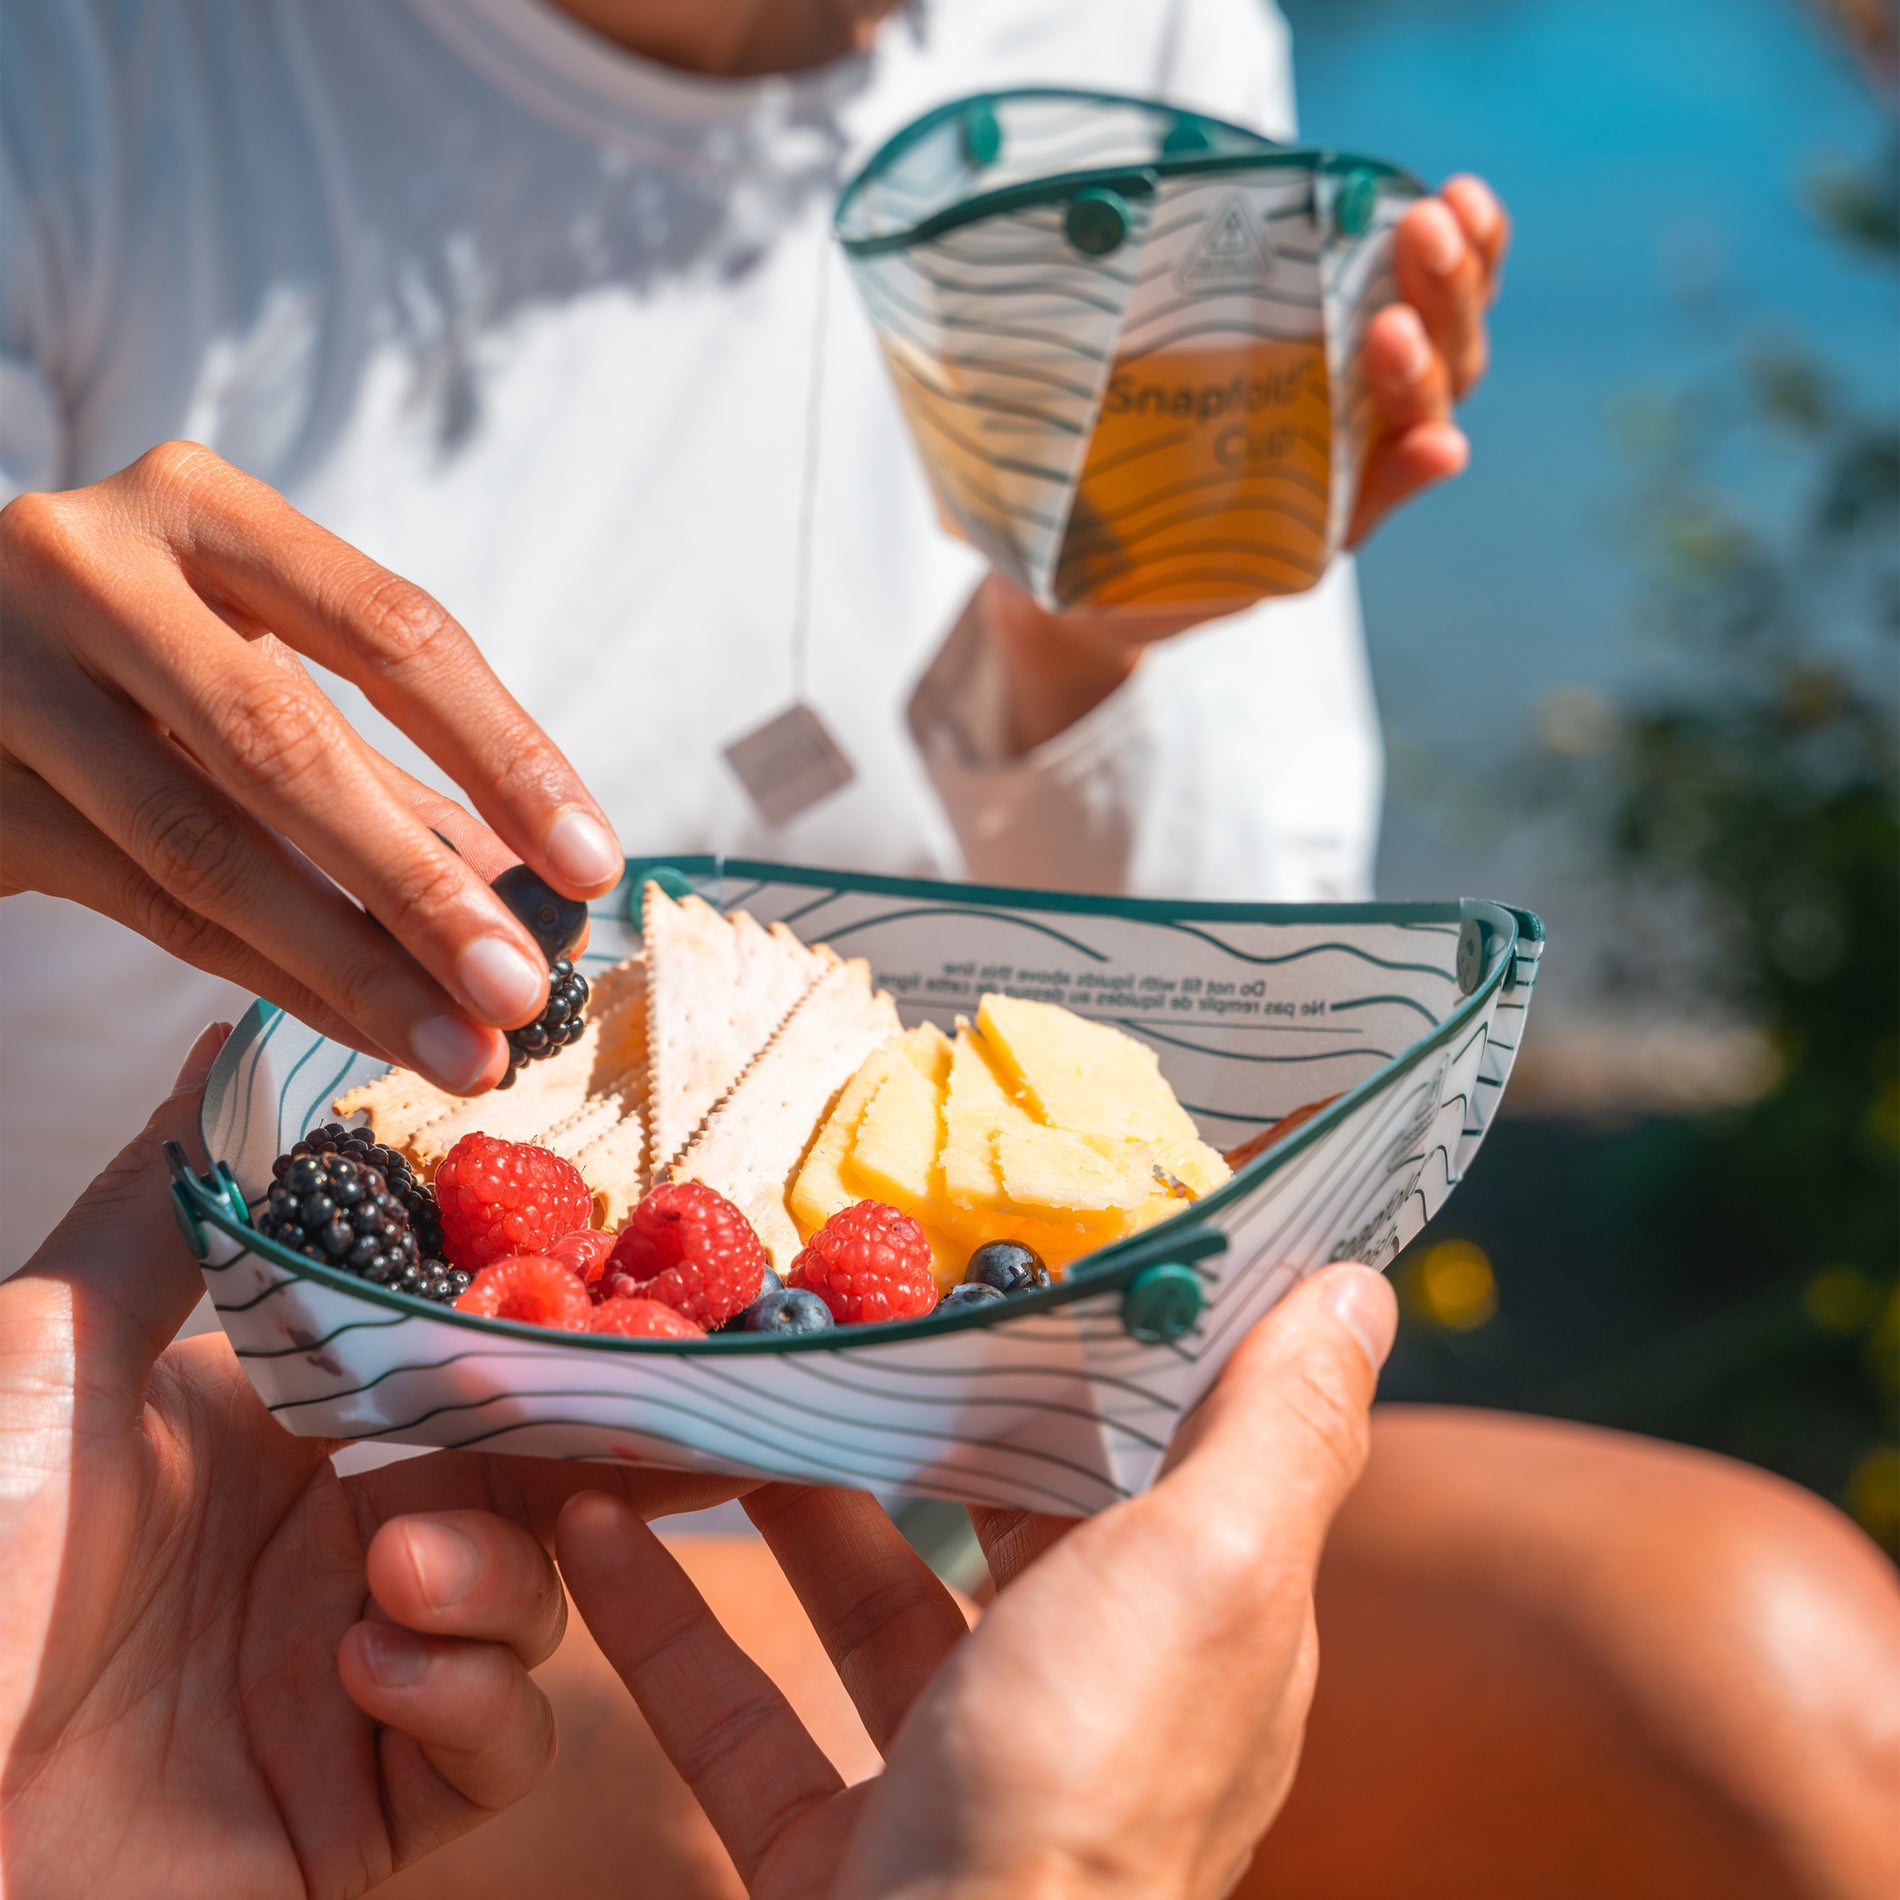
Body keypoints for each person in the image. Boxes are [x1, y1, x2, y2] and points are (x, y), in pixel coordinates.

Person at [0, 0, 1504, 1255]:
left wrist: (1073, 660)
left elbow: (1239, 1049)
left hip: (874, 1452)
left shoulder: (1142, 41)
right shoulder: (86, 60)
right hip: (157, 1438)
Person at [6, 1037, 1899, 1899]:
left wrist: (1064, 666)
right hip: (432, 1610)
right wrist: (1053, 1877)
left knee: (1796, 1681)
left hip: (256, 1581)